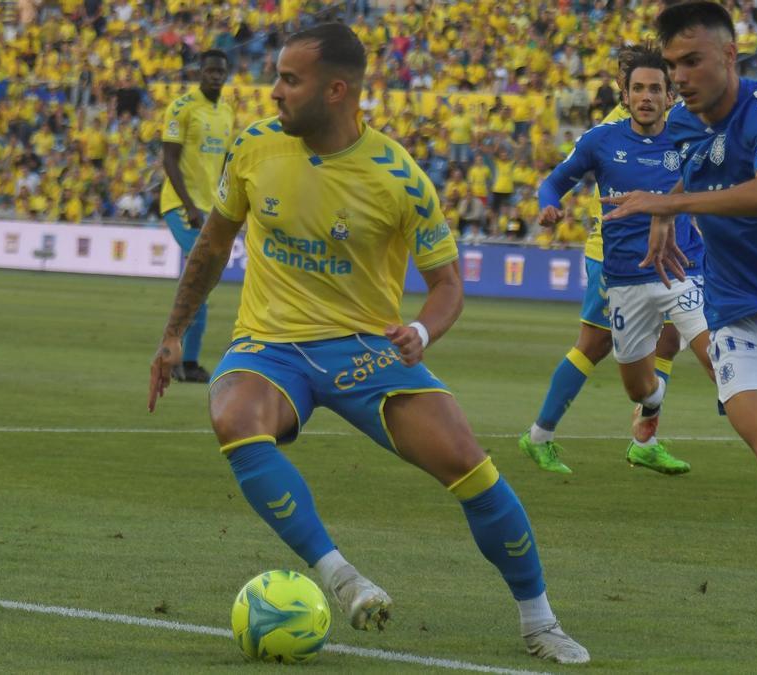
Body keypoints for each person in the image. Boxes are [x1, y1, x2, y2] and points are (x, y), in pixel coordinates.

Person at [148, 23, 589, 664]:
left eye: (289, 80)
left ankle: (538, 619)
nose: (273, 92)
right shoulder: (253, 147)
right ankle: (342, 578)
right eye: (276, 76)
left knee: (471, 466)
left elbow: (447, 286)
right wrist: (171, 336)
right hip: (269, 345)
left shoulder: (399, 179)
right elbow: (214, 244)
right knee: (234, 416)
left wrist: (421, 330)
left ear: (336, 91)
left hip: (364, 350)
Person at [604, 1, 757, 595]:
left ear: (729, 56)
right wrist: (669, 208)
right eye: (672, 65)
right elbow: (694, 167)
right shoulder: (683, 122)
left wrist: (670, 206)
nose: (679, 78)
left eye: (692, 61)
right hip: (740, 316)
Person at [529, 47, 712, 476]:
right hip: (625, 280)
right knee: (638, 385)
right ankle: (649, 409)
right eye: (638, 89)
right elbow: (554, 182)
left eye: (655, 89)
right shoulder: (601, 141)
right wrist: (549, 206)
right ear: (624, 95)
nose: (646, 96)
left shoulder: (693, 137)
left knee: (717, 360)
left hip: (684, 271)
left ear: (671, 97)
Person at [159, 49, 234, 383]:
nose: (215, 76)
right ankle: (185, 362)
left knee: (198, 282)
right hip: (180, 206)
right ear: (200, 72)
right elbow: (170, 158)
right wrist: (189, 205)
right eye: (210, 71)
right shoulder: (181, 107)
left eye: (220, 72)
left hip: (209, 209)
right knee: (200, 277)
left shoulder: (227, 113)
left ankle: (180, 358)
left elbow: (225, 164)